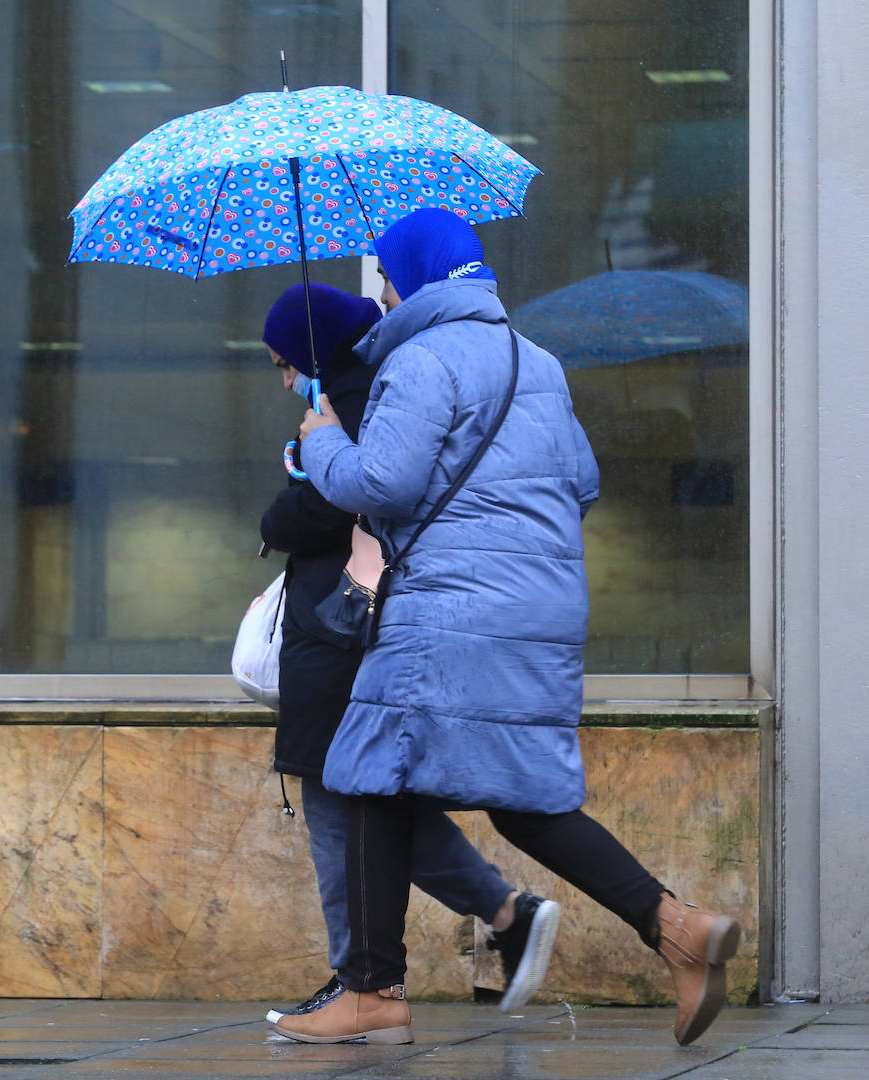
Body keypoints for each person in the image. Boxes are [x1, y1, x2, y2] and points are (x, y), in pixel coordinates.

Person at [273, 209, 742, 1047]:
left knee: (365, 776)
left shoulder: (421, 358)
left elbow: (382, 480)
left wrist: (324, 444)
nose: (380, 292)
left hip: (449, 609)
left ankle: (372, 991)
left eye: (385, 274)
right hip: (540, 608)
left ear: (414, 277)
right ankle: (675, 925)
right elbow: (582, 483)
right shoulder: (539, 362)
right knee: (519, 792)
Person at [258, 282, 560, 1031]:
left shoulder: (359, 397)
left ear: (308, 351)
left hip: (344, 633)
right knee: (378, 806)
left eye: (282, 361)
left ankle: (361, 984)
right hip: (355, 629)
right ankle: (504, 913)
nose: (283, 377)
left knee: (342, 806)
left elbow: (345, 503)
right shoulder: (364, 391)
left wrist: (289, 492)